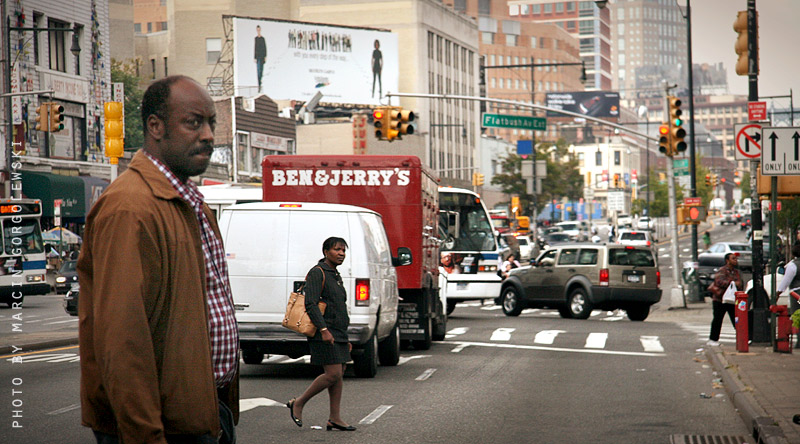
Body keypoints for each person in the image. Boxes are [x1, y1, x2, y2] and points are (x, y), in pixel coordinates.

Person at [77, 75, 239, 444]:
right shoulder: (130, 207)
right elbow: (123, 340)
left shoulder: (187, 201)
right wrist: (145, 434)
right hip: (161, 426)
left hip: (201, 411)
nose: (209, 135)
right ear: (156, 126)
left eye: (211, 122)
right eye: (193, 122)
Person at [287, 237, 356, 432]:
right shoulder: (318, 273)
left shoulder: (335, 274)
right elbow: (310, 303)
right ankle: (299, 402)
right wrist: (324, 330)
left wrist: (346, 338)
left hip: (338, 331)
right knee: (332, 373)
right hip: (324, 330)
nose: (341, 253)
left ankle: (334, 418)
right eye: (337, 250)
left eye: (343, 250)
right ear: (326, 251)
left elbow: (338, 306)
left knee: (338, 374)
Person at [707, 252, 743, 346]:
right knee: (718, 320)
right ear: (727, 261)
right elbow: (719, 282)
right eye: (733, 259)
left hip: (731, 300)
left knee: (737, 319)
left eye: (736, 259)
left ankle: (743, 338)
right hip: (720, 299)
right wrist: (733, 283)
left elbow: (740, 284)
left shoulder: (736, 272)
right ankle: (713, 339)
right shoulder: (722, 271)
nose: (735, 260)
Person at [777, 243, 800, 313]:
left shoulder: (792, 265)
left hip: (797, 294)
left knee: (797, 316)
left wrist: (777, 294)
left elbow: (786, 281)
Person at [254, 25, 267, 92]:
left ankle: (261, 83)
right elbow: (255, 48)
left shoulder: (262, 39)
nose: (258, 30)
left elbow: (265, 48)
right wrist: (255, 57)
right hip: (258, 57)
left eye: (259, 29)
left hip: (262, 56)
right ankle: (259, 84)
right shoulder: (256, 38)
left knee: (261, 70)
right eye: (257, 29)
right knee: (258, 70)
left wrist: (265, 56)